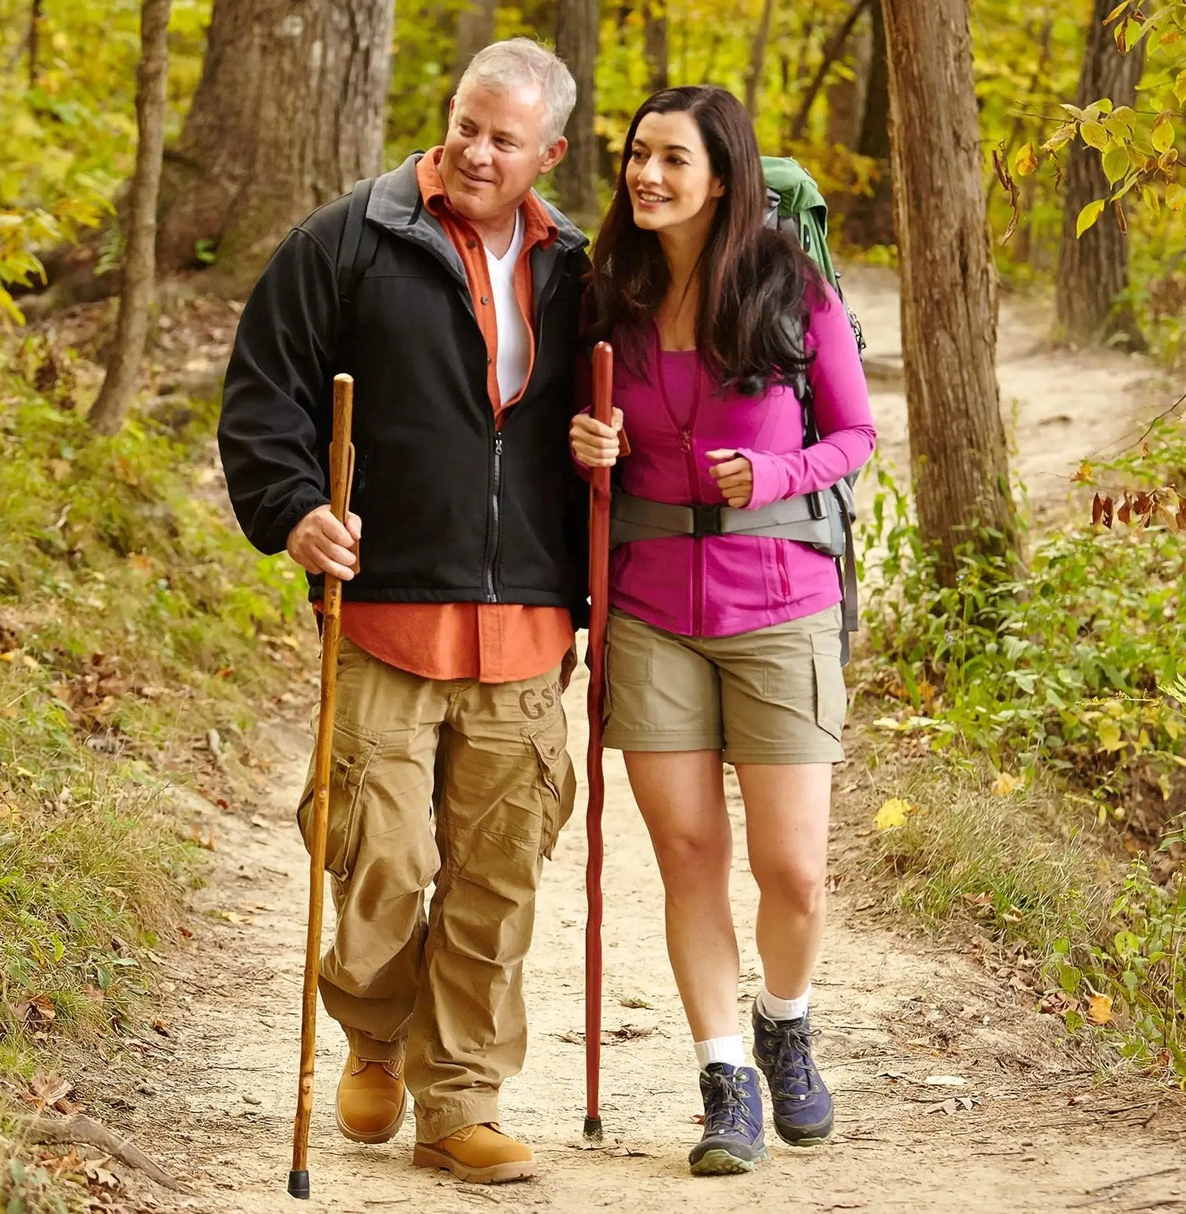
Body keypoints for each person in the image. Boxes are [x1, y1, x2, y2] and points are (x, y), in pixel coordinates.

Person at [218, 38, 591, 1186]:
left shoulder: (580, 267)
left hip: (526, 618)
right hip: (382, 612)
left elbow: (633, 406)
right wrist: (293, 514)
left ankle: (459, 1097)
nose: (476, 151)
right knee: (377, 860)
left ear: (549, 153)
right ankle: (374, 1034)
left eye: (504, 138)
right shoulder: (346, 240)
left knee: (496, 875)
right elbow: (264, 394)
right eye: (465, 125)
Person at [570, 85, 875, 1176]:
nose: (644, 176)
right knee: (688, 854)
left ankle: (783, 1023)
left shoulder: (788, 289)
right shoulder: (609, 294)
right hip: (651, 605)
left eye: (669, 160)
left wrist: (780, 472)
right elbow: (578, 439)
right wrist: (587, 448)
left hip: (779, 602)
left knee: (793, 871)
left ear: (721, 174)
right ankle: (721, 1080)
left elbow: (853, 432)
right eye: (635, 156)